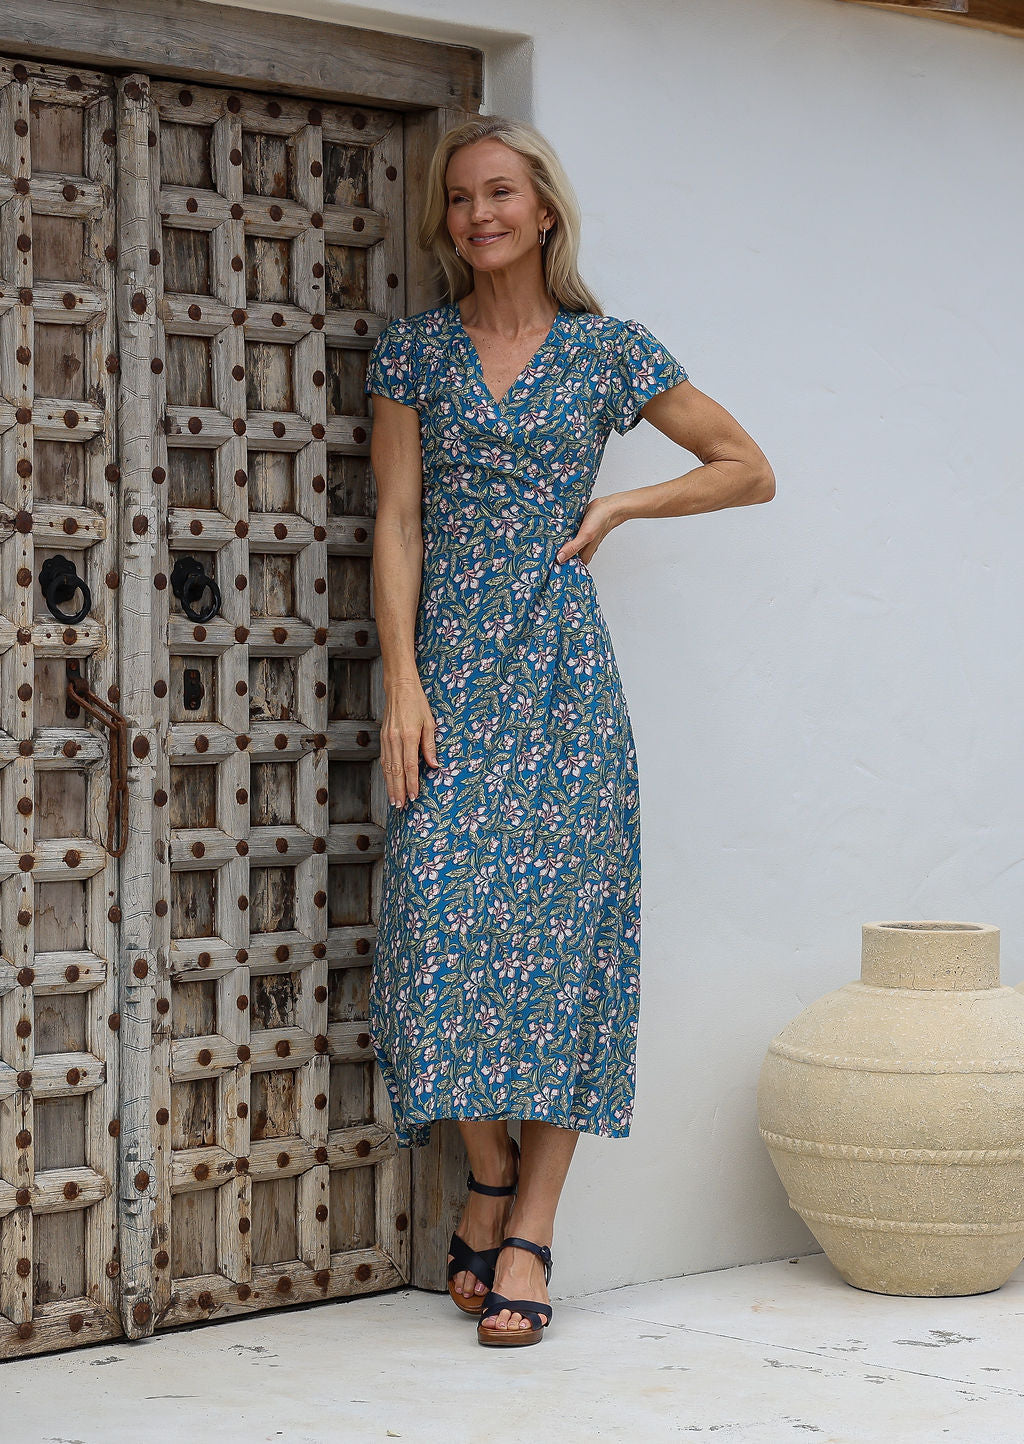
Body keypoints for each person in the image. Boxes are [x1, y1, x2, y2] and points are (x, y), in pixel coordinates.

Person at [364, 116, 774, 1347]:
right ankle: (486, 1171)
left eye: (499, 192)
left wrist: (626, 503)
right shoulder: (415, 354)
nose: (478, 214)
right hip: (448, 678)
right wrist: (401, 680)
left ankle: (531, 1223)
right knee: (432, 919)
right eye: (459, 200)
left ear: (544, 212)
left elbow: (744, 465)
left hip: (565, 686)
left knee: (566, 950)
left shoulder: (609, 353)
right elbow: (396, 521)